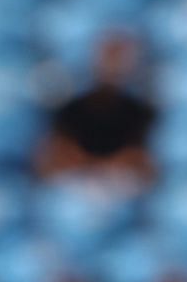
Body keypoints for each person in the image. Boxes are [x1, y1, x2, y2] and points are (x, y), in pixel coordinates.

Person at [37, 31, 158, 184]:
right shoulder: (71, 109)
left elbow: (144, 165)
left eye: (120, 60)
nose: (113, 67)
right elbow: (51, 163)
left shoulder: (141, 112)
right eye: (109, 58)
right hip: (76, 187)